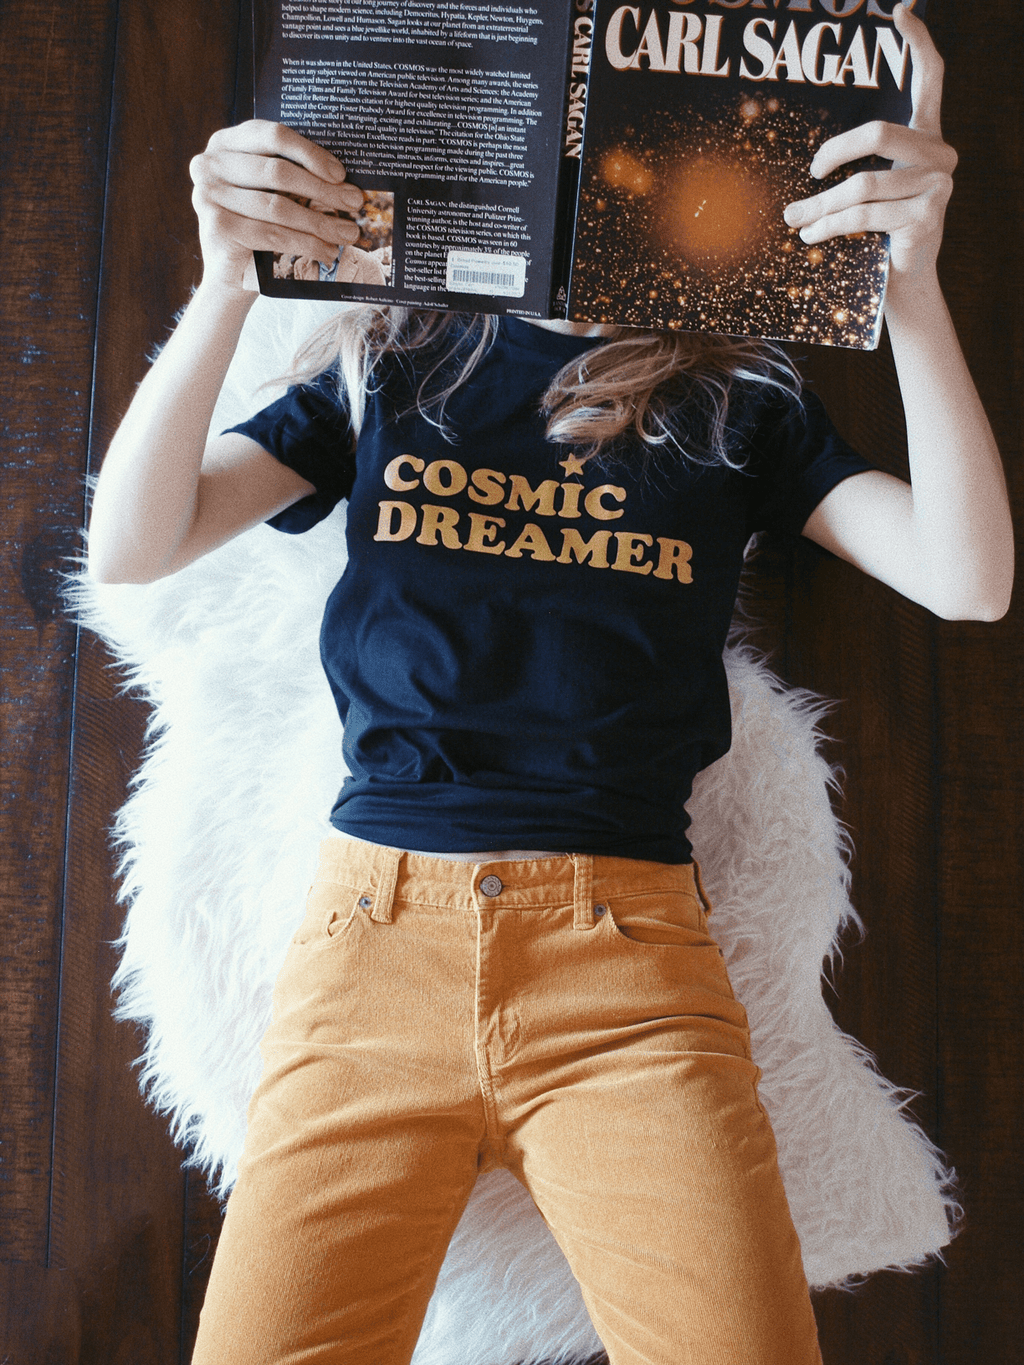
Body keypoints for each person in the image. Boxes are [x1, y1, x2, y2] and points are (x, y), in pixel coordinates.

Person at [87, 8, 1011, 1363]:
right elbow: (134, 546)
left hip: (629, 971)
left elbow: (966, 578)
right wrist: (235, 283)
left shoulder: (736, 395)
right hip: (370, 952)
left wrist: (908, 283)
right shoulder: (397, 358)